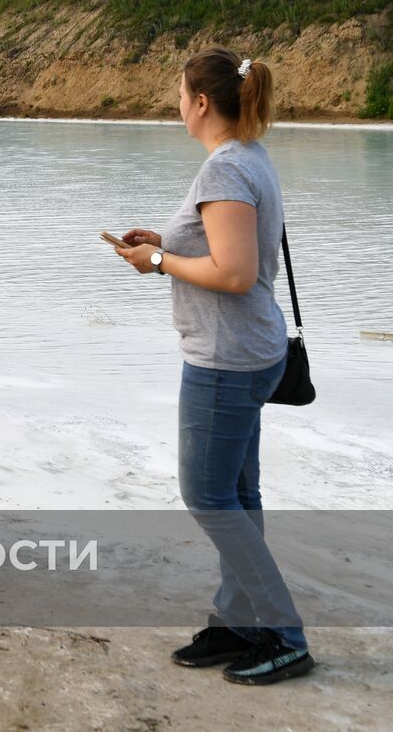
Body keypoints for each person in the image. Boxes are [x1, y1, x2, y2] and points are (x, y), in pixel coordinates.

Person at [114, 48, 313, 685]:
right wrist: (165, 243)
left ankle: (283, 633)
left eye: (180, 93)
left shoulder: (226, 169)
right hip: (250, 351)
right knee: (238, 493)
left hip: (225, 359)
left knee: (206, 495)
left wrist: (157, 264)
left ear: (201, 103)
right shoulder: (246, 159)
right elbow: (228, 249)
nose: (177, 103)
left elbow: (233, 272)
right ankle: (239, 620)